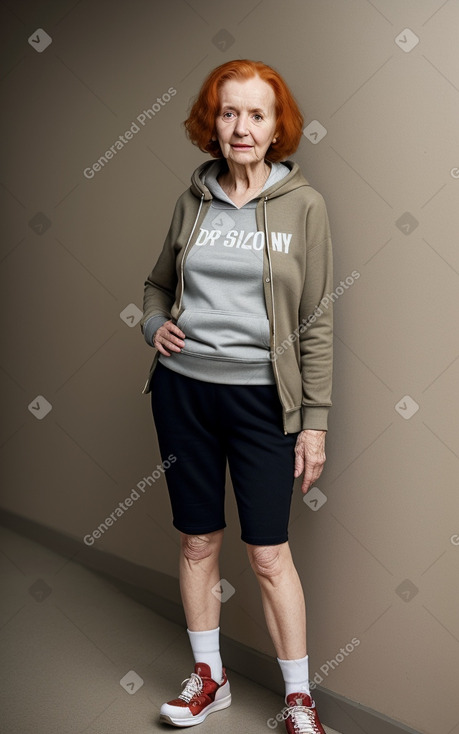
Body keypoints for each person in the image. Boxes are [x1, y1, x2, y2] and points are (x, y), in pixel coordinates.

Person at [140, 59, 333, 733]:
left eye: (255, 113)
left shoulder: (303, 206)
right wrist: (151, 325)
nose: (240, 127)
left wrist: (313, 425)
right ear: (211, 122)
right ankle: (208, 678)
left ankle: (299, 700)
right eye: (228, 112)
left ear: (276, 124)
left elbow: (316, 320)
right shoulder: (190, 199)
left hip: (263, 404)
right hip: (184, 395)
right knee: (198, 542)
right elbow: (155, 285)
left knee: (267, 553)